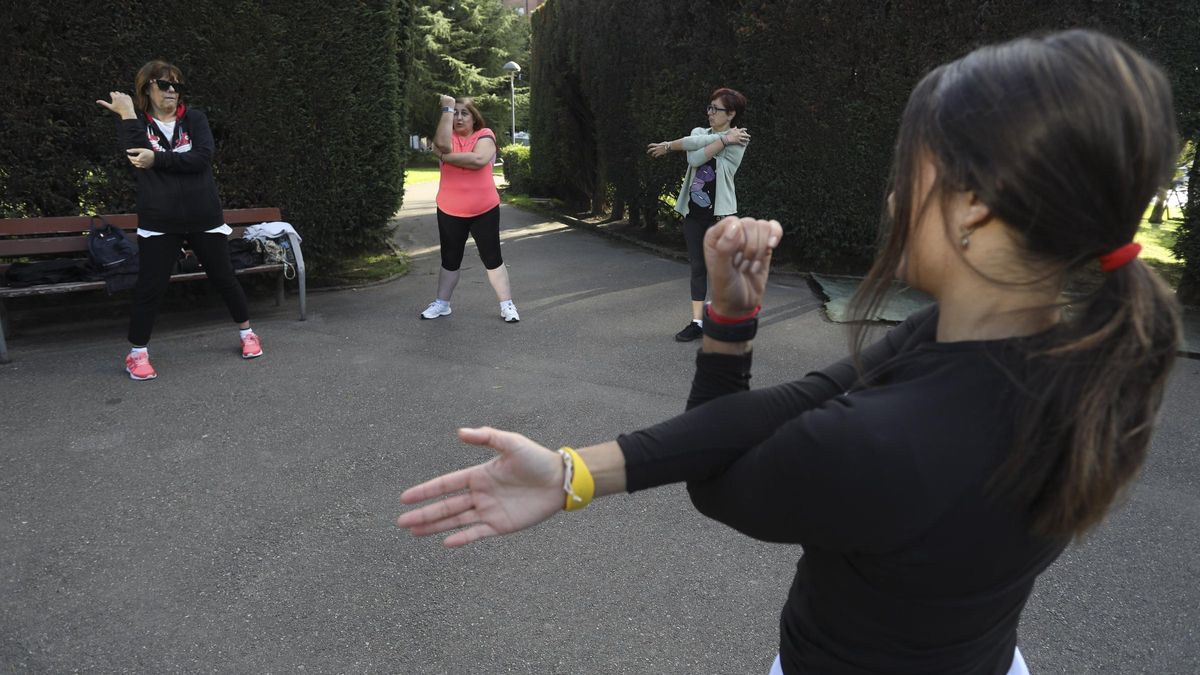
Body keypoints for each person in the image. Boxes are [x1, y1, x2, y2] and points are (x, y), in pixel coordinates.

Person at [398, 30, 1183, 674]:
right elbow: (800, 398)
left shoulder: (888, 441)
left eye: (909, 167)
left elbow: (721, 482)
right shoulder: (1076, 354)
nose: (889, 196)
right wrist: (573, 471)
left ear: (973, 204)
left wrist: (727, 334)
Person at [96, 60, 261, 381]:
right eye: (163, 84)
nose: (172, 91)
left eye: (177, 86)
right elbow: (137, 157)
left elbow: (202, 157)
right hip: (159, 220)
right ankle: (137, 354)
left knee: (224, 277)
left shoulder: (195, 119)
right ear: (147, 88)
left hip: (204, 216)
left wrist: (157, 158)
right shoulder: (138, 123)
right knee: (150, 287)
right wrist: (128, 113)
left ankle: (248, 334)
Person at [647, 88, 750, 342]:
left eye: (717, 109)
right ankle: (697, 322)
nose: (711, 113)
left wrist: (673, 145)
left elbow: (699, 153)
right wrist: (724, 140)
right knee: (697, 269)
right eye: (710, 108)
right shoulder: (700, 133)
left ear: (732, 113)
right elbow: (695, 158)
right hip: (694, 215)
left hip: (720, 217)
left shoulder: (742, 139)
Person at [421, 95, 520, 323]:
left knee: (492, 258)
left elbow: (478, 160)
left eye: (464, 113)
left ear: (474, 118)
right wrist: (446, 108)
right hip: (449, 209)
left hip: (484, 210)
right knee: (450, 259)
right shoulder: (446, 137)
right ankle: (442, 304)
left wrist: (445, 157)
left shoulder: (484, 135)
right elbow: (443, 144)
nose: (458, 117)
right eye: (453, 113)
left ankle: (507, 305)